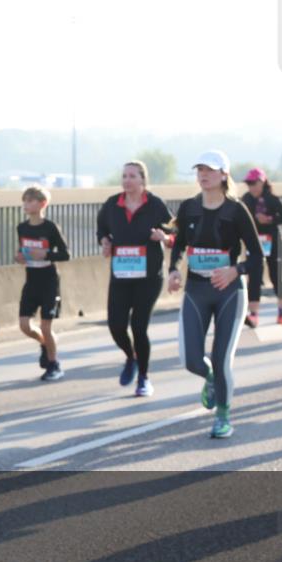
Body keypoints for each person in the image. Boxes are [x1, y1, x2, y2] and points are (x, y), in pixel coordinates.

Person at [168, 150, 263, 439]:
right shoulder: (188, 208)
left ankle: (223, 416)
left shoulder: (236, 210)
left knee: (221, 358)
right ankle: (208, 377)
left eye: (209, 170)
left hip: (229, 293)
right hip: (196, 290)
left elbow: (258, 257)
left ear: (224, 174)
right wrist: (173, 269)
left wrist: (236, 270)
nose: (203, 174)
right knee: (192, 360)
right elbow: (179, 244)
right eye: (199, 170)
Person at [96, 161, 174, 396]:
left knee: (139, 327)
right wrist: (105, 242)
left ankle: (144, 378)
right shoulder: (112, 204)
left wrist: (165, 237)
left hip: (149, 276)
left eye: (132, 176)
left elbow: (176, 233)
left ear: (143, 180)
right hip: (121, 274)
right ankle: (131, 357)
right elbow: (101, 229)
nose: (126, 180)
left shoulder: (155, 205)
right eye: (124, 176)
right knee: (116, 325)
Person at [16, 186, 70, 381]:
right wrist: (19, 257)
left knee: (46, 326)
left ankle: (54, 364)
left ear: (42, 204)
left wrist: (46, 254)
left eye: (31, 201)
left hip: (49, 281)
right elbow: (22, 250)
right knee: (24, 325)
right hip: (31, 281)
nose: (26, 204)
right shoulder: (22, 228)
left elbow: (65, 254)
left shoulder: (50, 228)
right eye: (25, 200)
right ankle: (45, 345)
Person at [241, 168, 282, 327]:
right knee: (254, 277)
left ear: (262, 182)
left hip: (274, 242)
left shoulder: (271, 199)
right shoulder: (246, 200)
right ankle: (254, 314)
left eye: (254, 183)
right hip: (255, 244)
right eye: (249, 184)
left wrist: (270, 219)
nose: (252, 187)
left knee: (275, 276)